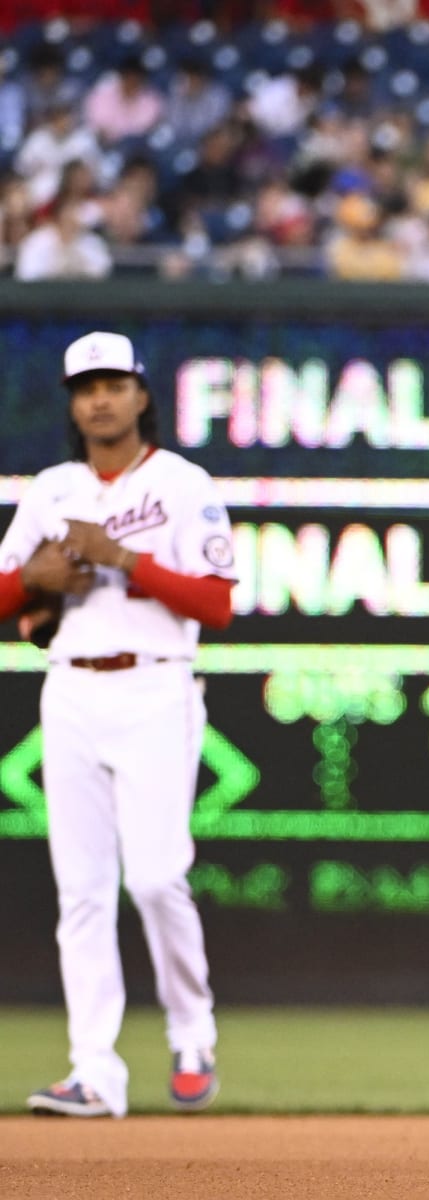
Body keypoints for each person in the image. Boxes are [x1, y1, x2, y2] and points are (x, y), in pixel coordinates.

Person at [0, 332, 237, 1118]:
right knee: (83, 893)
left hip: (156, 688)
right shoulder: (52, 490)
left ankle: (192, 1031)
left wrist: (126, 559)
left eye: (113, 383)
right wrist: (29, 582)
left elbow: (216, 603)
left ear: (141, 394)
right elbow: (14, 602)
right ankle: (94, 1072)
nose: (99, 398)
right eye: (84, 386)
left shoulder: (181, 483)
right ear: (73, 403)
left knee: (159, 876)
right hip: (70, 689)